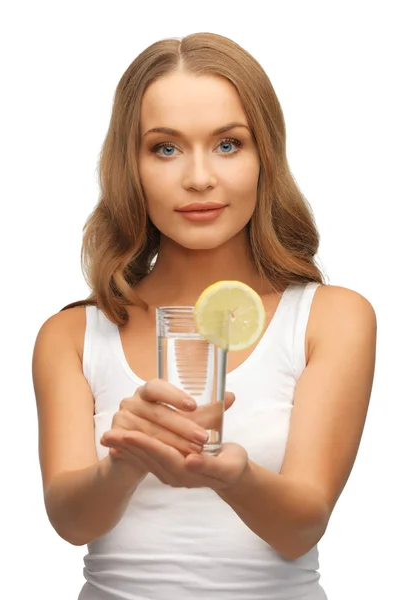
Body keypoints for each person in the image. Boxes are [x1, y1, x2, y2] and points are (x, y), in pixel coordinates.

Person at [32, 32, 377, 600]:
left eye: (227, 144)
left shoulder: (329, 319)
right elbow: (72, 523)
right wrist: (126, 460)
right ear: (131, 165)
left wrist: (234, 476)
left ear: (265, 154)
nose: (198, 177)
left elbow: (301, 528)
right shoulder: (71, 334)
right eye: (165, 148)